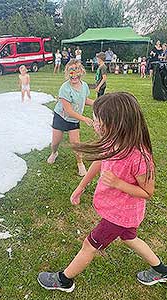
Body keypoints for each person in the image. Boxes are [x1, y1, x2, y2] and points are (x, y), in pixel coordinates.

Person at [38, 92, 167, 292]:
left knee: (89, 246)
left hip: (120, 215)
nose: (95, 123)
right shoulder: (113, 141)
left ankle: (64, 280)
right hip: (120, 213)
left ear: (117, 123)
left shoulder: (139, 157)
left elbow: (148, 192)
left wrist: (118, 183)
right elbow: (99, 161)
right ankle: (161, 270)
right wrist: (81, 187)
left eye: (99, 120)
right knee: (129, 238)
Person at [47, 59, 94, 176]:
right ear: (68, 74)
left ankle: (80, 164)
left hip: (74, 120)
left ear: (81, 73)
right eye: (71, 73)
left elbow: (84, 100)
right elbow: (68, 111)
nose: (74, 77)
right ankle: (54, 152)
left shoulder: (84, 86)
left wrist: (96, 103)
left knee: (76, 143)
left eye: (76, 73)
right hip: (61, 117)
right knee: (55, 142)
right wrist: (84, 119)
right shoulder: (65, 88)